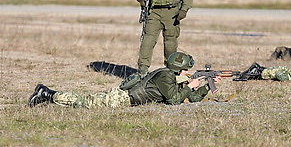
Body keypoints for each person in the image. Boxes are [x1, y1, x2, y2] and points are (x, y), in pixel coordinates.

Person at [28, 52, 220, 108]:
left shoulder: (170, 76)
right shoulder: (165, 76)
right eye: (186, 69)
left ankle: (47, 94)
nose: (188, 72)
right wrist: (191, 85)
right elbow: (174, 100)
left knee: (83, 101)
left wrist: (205, 88)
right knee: (82, 101)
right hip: (119, 99)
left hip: (126, 98)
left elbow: (188, 98)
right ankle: (47, 93)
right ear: (179, 68)